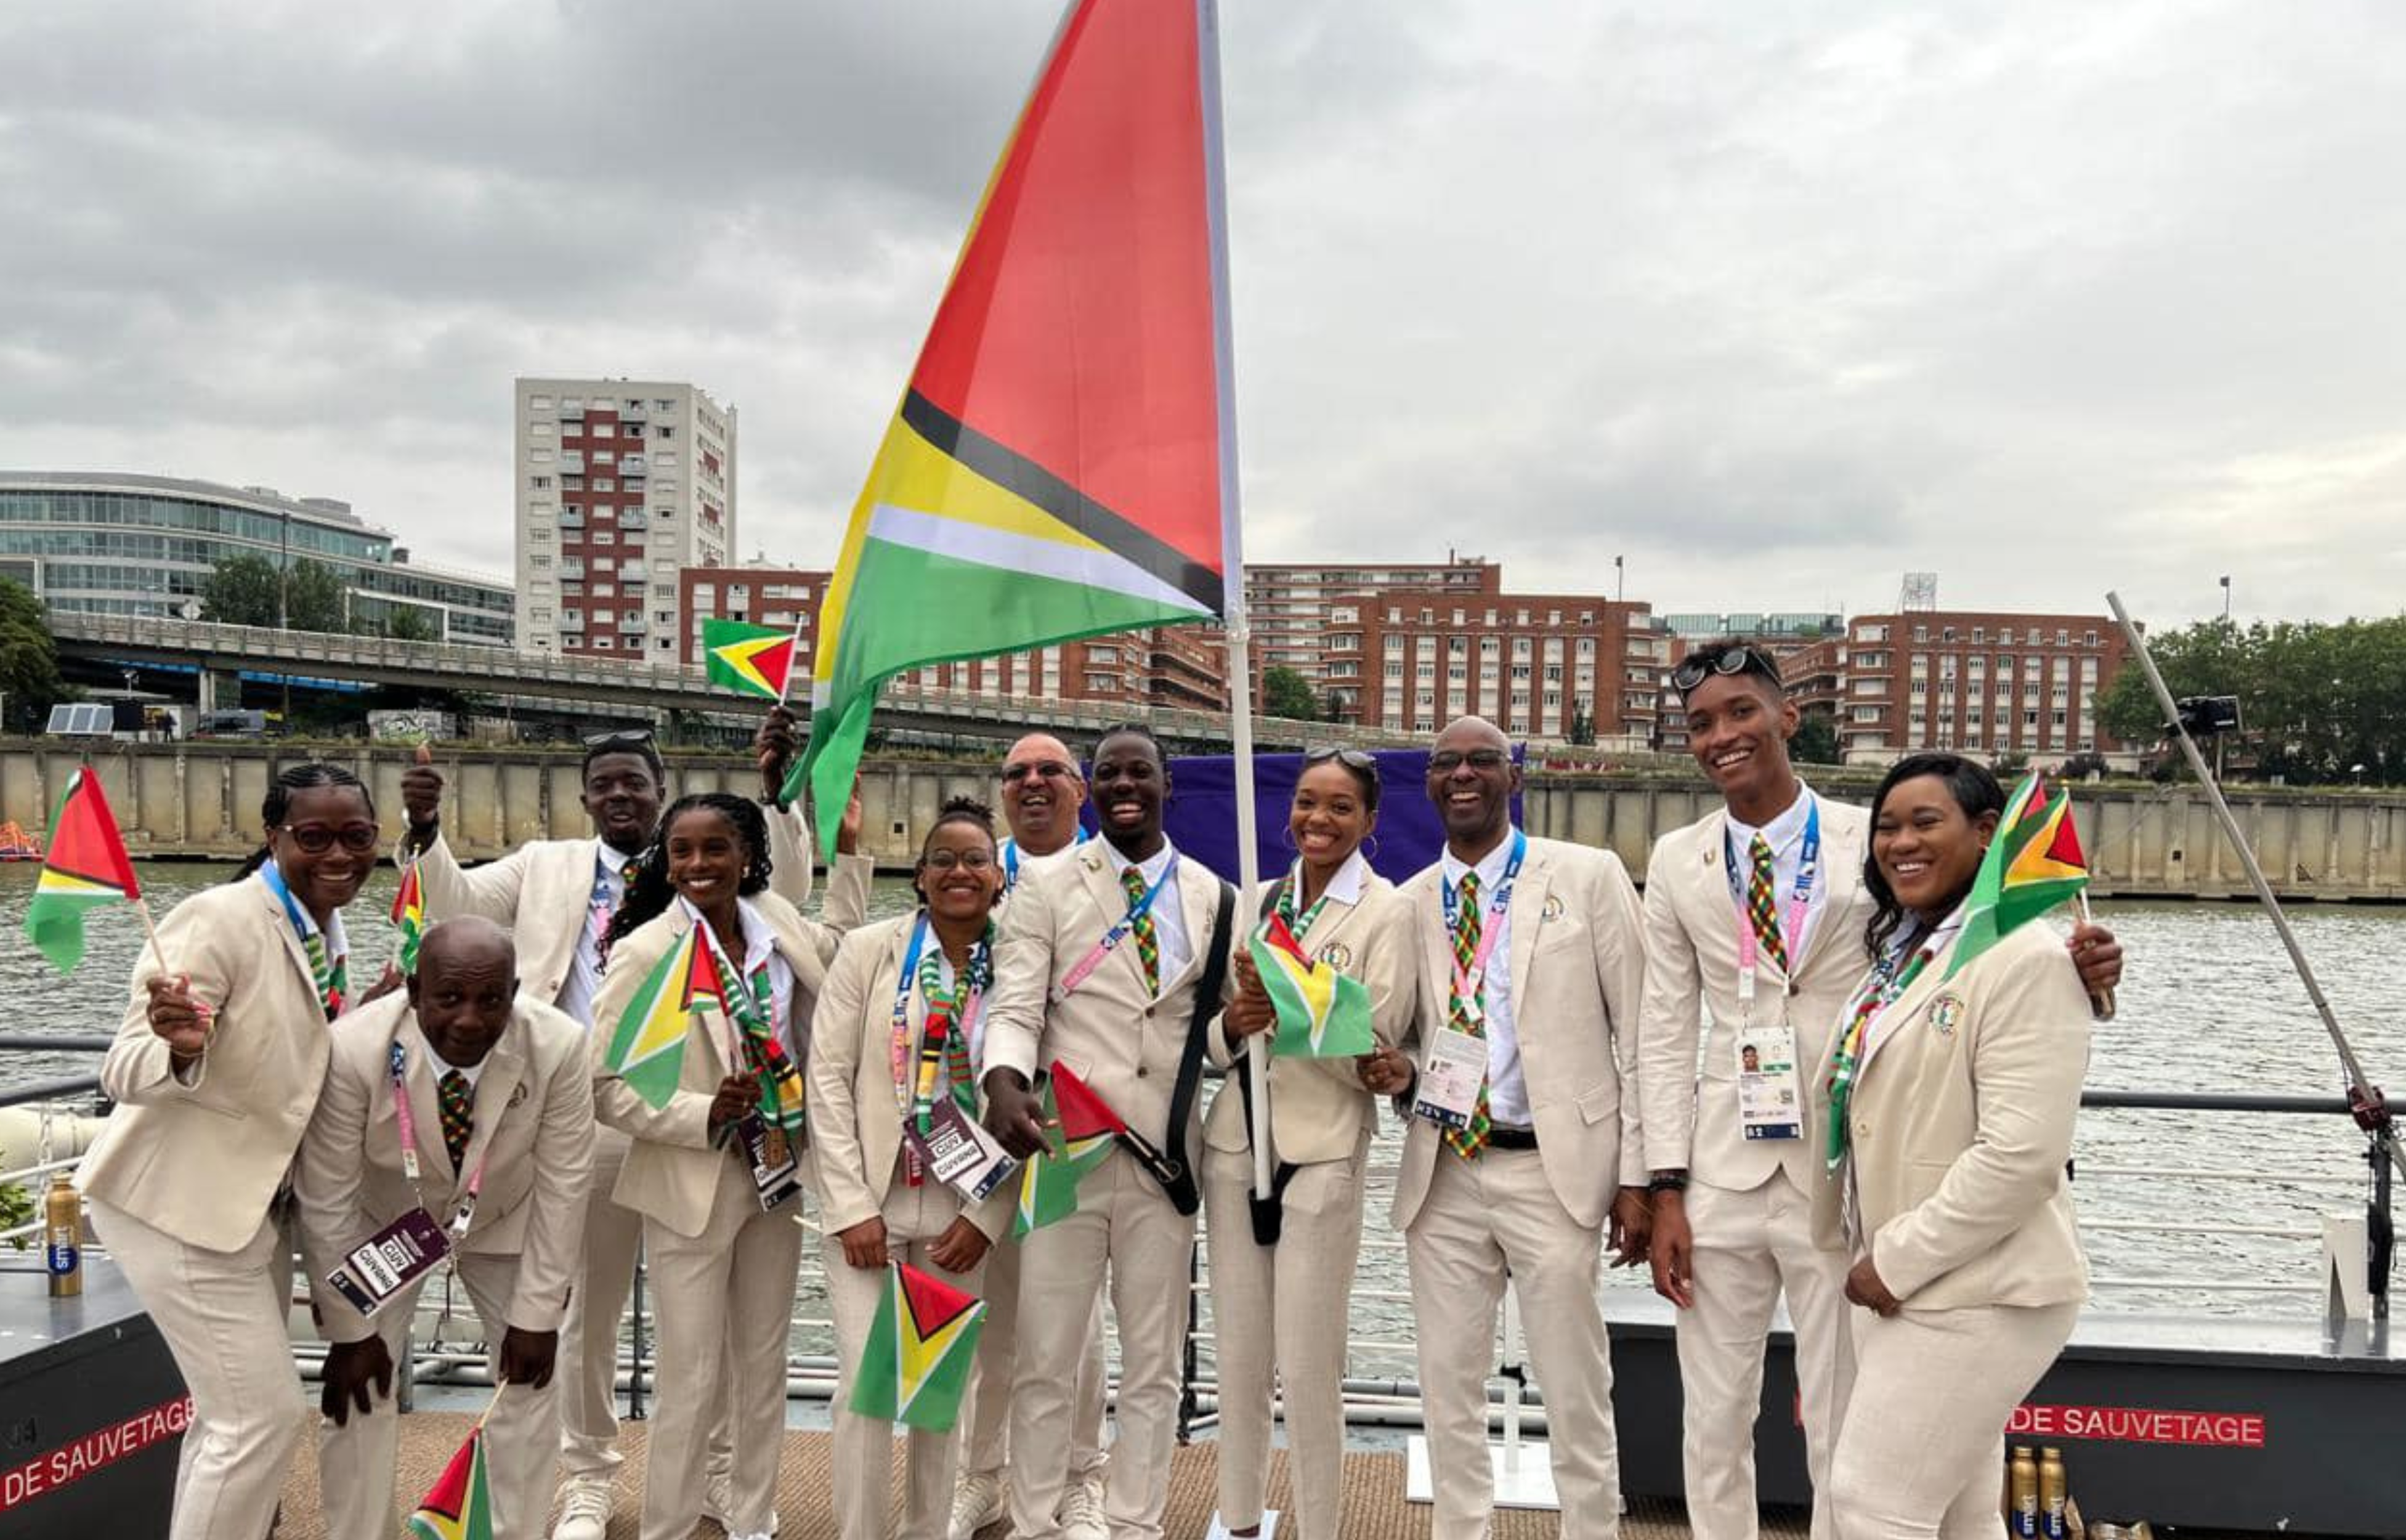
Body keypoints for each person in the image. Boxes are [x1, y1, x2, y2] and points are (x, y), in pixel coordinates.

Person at [1635, 641, 2123, 1539]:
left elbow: (1977, 948)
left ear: (1787, 716)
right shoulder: (1675, 859)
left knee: (1844, 1423)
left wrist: (2087, 968)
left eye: (1741, 711)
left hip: (1846, 1182)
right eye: (1701, 723)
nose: (1722, 736)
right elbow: (1661, 1026)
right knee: (1709, 1421)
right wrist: (1659, 1182)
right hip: (1716, 1170)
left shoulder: (1881, 835)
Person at [401, 723, 869, 1540]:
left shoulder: (767, 919)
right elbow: (458, 909)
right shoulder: (584, 895)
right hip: (603, 1124)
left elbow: (828, 939)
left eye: (635, 783)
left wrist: (818, 824)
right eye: (603, 783)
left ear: (661, 789)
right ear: (586, 796)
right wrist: (428, 834)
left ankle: (738, 1500)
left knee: (757, 1357)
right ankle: (589, 1479)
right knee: (591, 1317)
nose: (620, 796)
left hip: (768, 1158)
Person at [77, 763, 379, 1540]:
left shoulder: (325, 933)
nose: (338, 854)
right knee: (261, 1417)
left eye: (357, 836)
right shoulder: (221, 919)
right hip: (178, 1206)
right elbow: (122, 1067)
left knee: (225, 1425)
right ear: (273, 838)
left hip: (255, 1214)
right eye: (314, 837)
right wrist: (179, 1050)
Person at [1382, 716, 1649, 1540]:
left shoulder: (1590, 875)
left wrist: (1639, 1179)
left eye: (1481, 761)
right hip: (1446, 1171)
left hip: (1554, 1170)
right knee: (1447, 1385)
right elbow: (1396, 1036)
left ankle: (1590, 1529)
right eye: (1445, 764)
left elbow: (1642, 1035)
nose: (1462, 775)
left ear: (1514, 778)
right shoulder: (1409, 901)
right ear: (1428, 784)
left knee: (1574, 1384)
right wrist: (1388, 1071)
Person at [1816, 753, 2092, 1538]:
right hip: (1912, 1277)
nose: (1900, 841)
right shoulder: (1908, 954)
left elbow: (2023, 1157)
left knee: (1871, 1500)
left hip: (1978, 1286)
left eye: (1924, 822)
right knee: (1963, 1515)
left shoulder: (2027, 957)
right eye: (1887, 826)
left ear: (1984, 832)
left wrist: (1894, 1259)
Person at [981, 723, 1235, 1540]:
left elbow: (1218, 1038)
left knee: (1156, 1367)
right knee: (1047, 1358)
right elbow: (1018, 1006)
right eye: (1111, 773)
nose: (1127, 785)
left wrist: (1250, 1023)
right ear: (1093, 788)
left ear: (1168, 784)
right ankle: (1032, 1521)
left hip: (1166, 1159)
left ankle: (1136, 1524)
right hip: (1064, 1150)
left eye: (1142, 772)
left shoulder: (1215, 896)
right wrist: (1002, 1081)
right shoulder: (1046, 888)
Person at [592, 792, 844, 1540]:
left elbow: (848, 960)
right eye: (682, 851)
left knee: (764, 1368)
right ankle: (667, 1528)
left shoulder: (784, 929)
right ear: (666, 863)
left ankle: (753, 1519)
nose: (698, 865)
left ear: (747, 856)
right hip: (691, 1179)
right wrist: (703, 1112)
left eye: (715, 849)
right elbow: (606, 1089)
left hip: (778, 1168)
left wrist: (851, 852)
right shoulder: (643, 952)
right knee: (690, 1379)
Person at [299, 918, 595, 1540]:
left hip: (505, 1217)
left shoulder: (562, 1045)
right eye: (448, 997)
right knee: (359, 1388)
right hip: (386, 1223)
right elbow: (326, 1194)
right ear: (413, 990)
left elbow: (566, 1184)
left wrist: (538, 1314)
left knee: (532, 1387)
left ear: (514, 993)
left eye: (491, 1000)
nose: (469, 1019)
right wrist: (350, 1330)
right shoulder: (352, 1049)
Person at [1204, 747, 1413, 1540]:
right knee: (1240, 1357)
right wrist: (1240, 1016)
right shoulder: (1258, 898)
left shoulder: (1387, 912)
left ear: (1368, 820)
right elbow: (1219, 1039)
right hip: (1236, 1143)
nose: (1316, 820)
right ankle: (1238, 1519)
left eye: (1337, 807)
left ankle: (1322, 1525)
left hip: (1323, 1151)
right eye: (1304, 802)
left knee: (1309, 1364)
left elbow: (1378, 1042)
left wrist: (1284, 1000)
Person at [811, 798, 1017, 1540]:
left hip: (960, 1214)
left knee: (939, 1392)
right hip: (870, 1203)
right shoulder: (870, 952)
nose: (959, 871)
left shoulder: (1021, 965)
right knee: (865, 1389)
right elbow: (826, 1076)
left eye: (975, 860)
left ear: (999, 879)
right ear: (921, 876)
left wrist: (986, 1218)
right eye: (943, 860)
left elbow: (1030, 1099)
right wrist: (847, 1205)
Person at [952, 731, 1113, 1540]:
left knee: (1072, 1325)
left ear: (1080, 789)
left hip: (1067, 1130)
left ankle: (1082, 1478)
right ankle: (980, 1474)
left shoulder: (1113, 878)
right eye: (1016, 773)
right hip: (971, 1124)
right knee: (983, 1311)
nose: (1034, 783)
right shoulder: (975, 873)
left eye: (1052, 770)